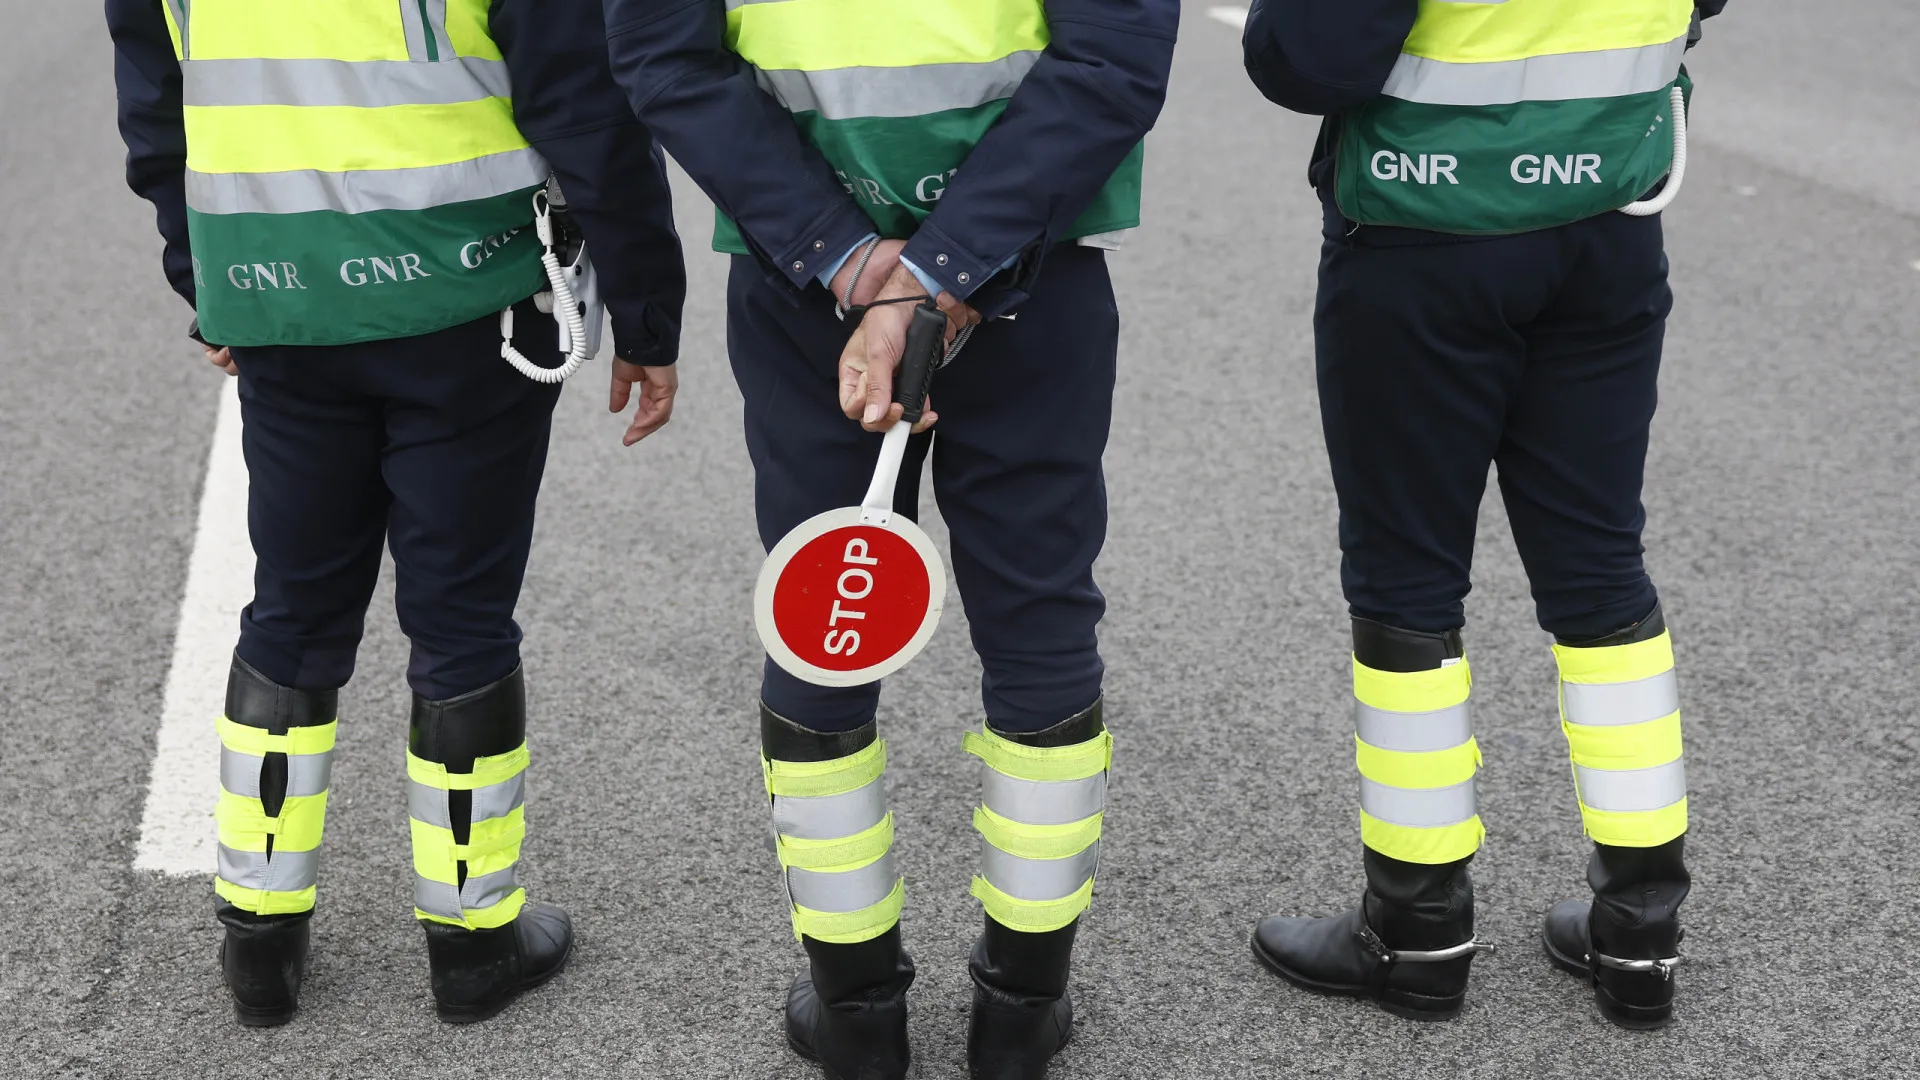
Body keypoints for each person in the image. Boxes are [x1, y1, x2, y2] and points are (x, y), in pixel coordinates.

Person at [600, 1, 1175, 1075]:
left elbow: (662, 54)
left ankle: (859, 1015)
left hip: (800, 276)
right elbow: (1113, 55)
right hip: (1029, 271)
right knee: (1041, 618)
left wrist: (860, 265)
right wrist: (946, 269)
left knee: (826, 619)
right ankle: (1019, 1013)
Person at [107, 0, 686, 1026]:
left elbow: (158, 104)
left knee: (293, 609)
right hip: (465, 296)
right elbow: (580, 104)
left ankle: (259, 939)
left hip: (276, 289)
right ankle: (471, 943)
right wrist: (645, 306)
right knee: (459, 619)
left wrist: (205, 279)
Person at [1239, 0, 1724, 1030]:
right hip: (1605, 215)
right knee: (1601, 577)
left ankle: (1418, 933)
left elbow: (1309, 59)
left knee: (1407, 584)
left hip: (1427, 227)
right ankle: (1639, 934)